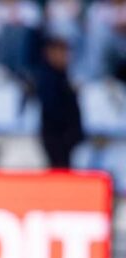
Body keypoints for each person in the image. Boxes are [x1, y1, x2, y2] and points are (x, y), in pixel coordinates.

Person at [35, 35, 83, 169]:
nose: (65, 57)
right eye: (61, 52)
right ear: (50, 53)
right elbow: (53, 111)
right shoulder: (48, 79)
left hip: (67, 141)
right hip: (58, 140)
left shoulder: (63, 76)